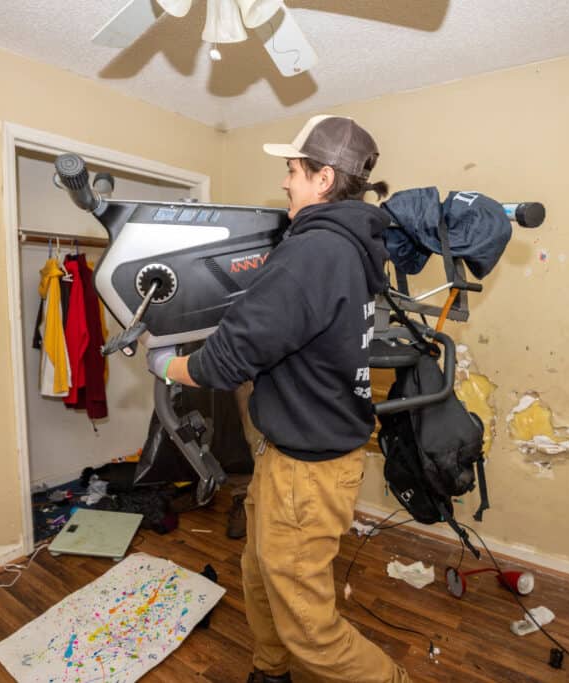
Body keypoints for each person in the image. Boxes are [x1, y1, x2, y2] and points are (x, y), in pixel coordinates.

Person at [147, 115, 411, 683]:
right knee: (260, 576)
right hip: (291, 454)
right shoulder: (348, 247)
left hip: (306, 470)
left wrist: (164, 363)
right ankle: (270, 672)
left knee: (311, 630)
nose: (286, 182)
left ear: (322, 179)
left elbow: (224, 362)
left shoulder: (312, 253)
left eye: (293, 171)